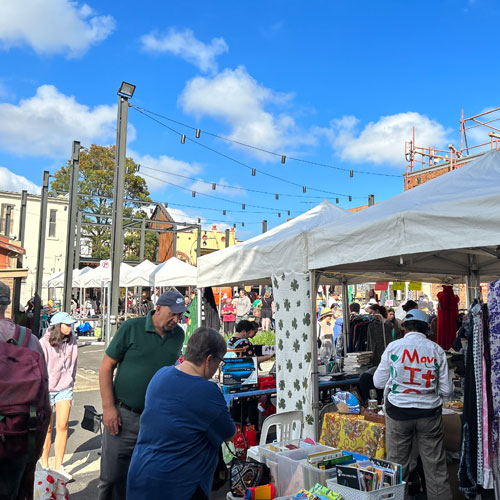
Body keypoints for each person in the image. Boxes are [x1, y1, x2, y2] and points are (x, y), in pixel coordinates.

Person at [98, 290, 187, 500]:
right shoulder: (132, 327)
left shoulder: (178, 335)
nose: (176, 319)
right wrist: (109, 408)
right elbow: (106, 367)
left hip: (157, 418)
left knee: (147, 475)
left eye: (180, 315)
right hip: (124, 415)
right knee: (112, 477)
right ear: (158, 308)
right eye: (173, 314)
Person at [127, 327, 235, 500]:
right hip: (179, 485)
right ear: (209, 360)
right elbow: (228, 433)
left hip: (141, 474)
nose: (217, 368)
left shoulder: (160, 374)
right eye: (219, 362)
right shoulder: (206, 391)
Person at [373, 309, 453, 500]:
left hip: (398, 413)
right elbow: (448, 391)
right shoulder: (436, 349)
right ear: (427, 329)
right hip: (429, 414)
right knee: (435, 467)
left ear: (404, 327)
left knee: (397, 466)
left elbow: (378, 382)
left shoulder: (394, 347)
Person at [0, 281, 50, 500]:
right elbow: (44, 403)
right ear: (7, 304)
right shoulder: (29, 340)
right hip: (19, 440)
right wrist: (35, 452)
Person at [39, 312, 78, 480]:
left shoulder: (72, 340)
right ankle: (44, 463)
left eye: (71, 324)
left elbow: (74, 363)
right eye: (67, 324)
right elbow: (40, 369)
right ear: (58, 325)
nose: (70, 327)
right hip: (46, 389)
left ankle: (58, 466)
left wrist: (71, 380)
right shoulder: (43, 343)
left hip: (65, 388)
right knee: (47, 428)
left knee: (62, 426)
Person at [227, 320, 274, 429]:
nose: (249, 336)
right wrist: (268, 357)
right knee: (250, 406)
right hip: (246, 380)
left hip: (231, 379)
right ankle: (253, 431)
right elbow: (252, 360)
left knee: (237, 409)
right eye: (249, 333)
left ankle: (237, 432)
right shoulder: (245, 343)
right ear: (244, 332)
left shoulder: (229, 341)